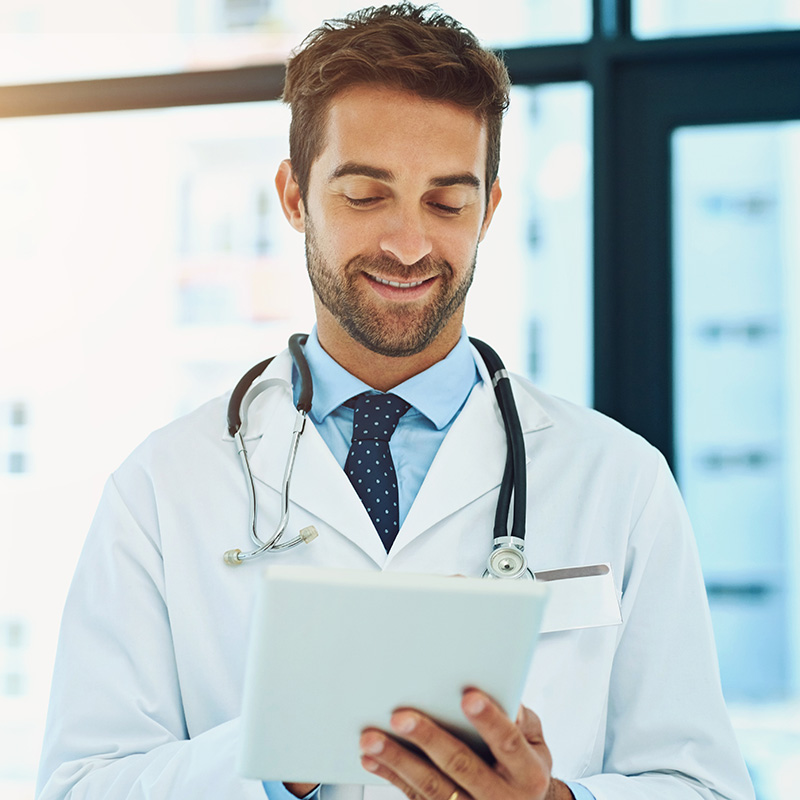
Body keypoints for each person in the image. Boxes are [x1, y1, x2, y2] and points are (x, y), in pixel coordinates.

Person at [37, 4, 754, 800]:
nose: (409, 244)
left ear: (489, 209)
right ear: (295, 197)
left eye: (447, 203)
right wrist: (279, 754)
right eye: (366, 195)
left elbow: (707, 787)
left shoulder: (619, 480)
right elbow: (79, 786)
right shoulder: (162, 489)